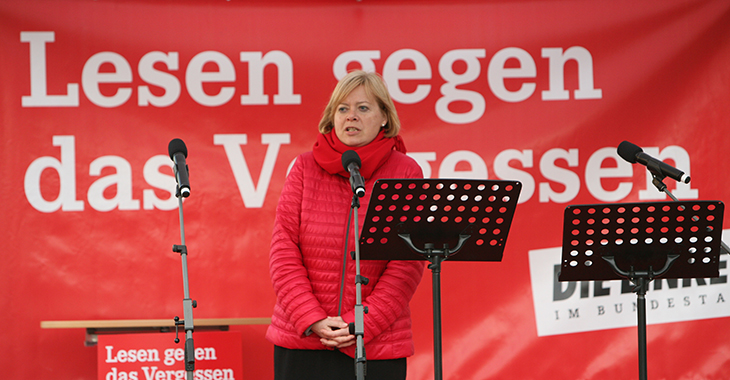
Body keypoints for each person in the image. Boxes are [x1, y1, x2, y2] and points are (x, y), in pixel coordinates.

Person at [265, 70, 426, 380]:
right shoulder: (303, 168)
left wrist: (360, 323)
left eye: (363, 108)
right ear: (332, 117)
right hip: (304, 340)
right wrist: (312, 319)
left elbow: (406, 263)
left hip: (375, 344)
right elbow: (283, 251)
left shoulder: (405, 172)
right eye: (343, 108)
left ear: (384, 117)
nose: (351, 116)